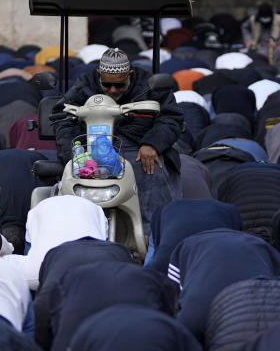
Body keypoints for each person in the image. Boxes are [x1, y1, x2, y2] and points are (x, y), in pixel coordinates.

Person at [53, 47, 183, 235]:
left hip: (138, 146)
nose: (113, 91)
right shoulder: (85, 84)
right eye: (107, 85)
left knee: (152, 167)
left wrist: (153, 143)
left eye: (120, 86)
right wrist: (74, 151)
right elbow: (62, 117)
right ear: (99, 74)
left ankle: (152, 235)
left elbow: (171, 117)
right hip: (93, 145)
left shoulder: (148, 85)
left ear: (130, 74)